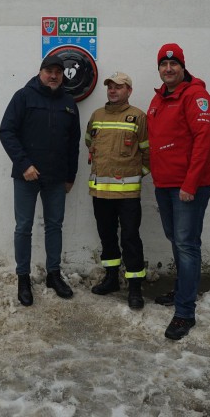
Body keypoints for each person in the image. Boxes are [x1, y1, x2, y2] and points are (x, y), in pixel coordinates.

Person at [0, 54, 81, 307]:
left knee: (54, 225)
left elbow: (73, 143)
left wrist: (70, 176)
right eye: (49, 71)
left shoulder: (69, 102)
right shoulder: (23, 96)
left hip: (56, 178)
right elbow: (6, 131)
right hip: (27, 176)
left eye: (58, 71)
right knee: (23, 227)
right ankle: (23, 277)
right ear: (40, 71)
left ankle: (53, 275)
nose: (54, 75)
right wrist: (24, 165)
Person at [147, 43, 210, 340]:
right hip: (164, 184)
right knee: (176, 239)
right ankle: (181, 291)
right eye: (164, 64)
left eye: (174, 64)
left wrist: (190, 183)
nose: (169, 69)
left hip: (188, 186)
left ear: (183, 66)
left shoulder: (196, 96)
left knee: (187, 244)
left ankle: (185, 312)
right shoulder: (159, 99)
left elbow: (204, 140)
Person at [85, 71, 150, 310]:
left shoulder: (138, 117)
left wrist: (137, 173)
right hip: (101, 193)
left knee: (131, 239)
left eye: (118, 87)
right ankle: (111, 278)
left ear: (129, 91)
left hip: (128, 194)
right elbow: (89, 143)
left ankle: (135, 287)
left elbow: (147, 152)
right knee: (107, 236)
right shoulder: (97, 116)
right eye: (110, 87)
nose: (113, 90)